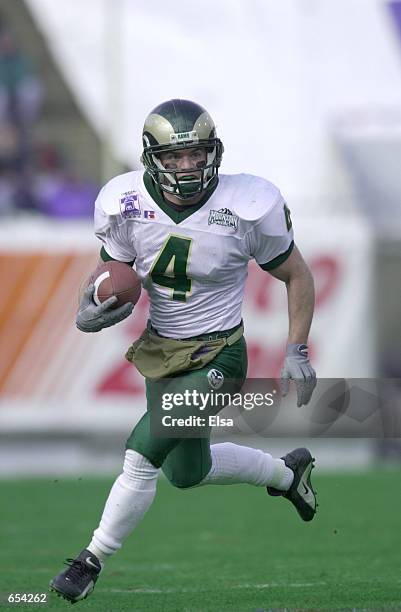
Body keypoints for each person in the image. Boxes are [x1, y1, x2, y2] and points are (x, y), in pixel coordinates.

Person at [49, 99, 317, 604]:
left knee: (142, 452)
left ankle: (89, 560)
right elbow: (117, 281)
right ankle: (288, 474)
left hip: (220, 355)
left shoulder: (248, 202)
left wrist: (296, 348)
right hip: (162, 351)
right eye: (175, 157)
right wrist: (89, 310)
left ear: (213, 152)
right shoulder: (122, 201)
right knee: (186, 472)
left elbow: (296, 274)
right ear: (152, 158)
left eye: (197, 154)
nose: (188, 165)